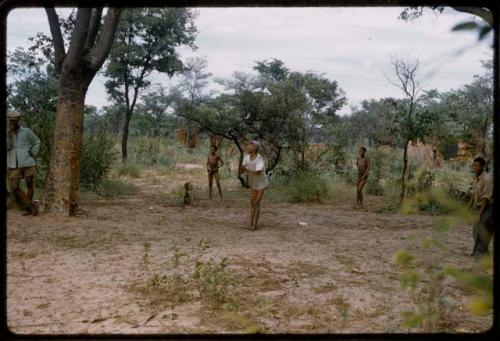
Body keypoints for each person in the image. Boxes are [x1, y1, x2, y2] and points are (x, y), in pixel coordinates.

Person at [6, 111, 41, 216]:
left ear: (18, 121)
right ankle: (31, 206)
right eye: (11, 121)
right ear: (9, 121)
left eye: (15, 121)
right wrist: (9, 136)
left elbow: (37, 142)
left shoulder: (26, 131)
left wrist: (32, 152)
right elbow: (8, 147)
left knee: (29, 185)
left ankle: (28, 209)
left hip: (27, 162)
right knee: (15, 187)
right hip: (14, 164)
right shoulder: (8, 133)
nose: (13, 123)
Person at [239, 140, 269, 230]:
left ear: (255, 148)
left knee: (256, 203)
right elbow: (242, 169)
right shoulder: (246, 157)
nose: (248, 147)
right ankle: (250, 224)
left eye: (250, 146)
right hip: (254, 183)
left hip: (262, 183)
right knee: (252, 203)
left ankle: (255, 225)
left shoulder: (259, 158)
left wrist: (246, 169)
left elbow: (258, 172)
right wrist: (243, 168)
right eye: (248, 145)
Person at [468, 156, 494, 256]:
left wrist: (479, 214)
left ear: (482, 167)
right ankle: (477, 251)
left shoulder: (487, 178)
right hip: (479, 206)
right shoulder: (475, 178)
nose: (474, 168)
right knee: (475, 229)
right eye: (473, 165)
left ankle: (482, 253)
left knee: (483, 226)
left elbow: (486, 198)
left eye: (477, 166)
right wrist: (468, 208)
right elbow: (474, 194)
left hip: (489, 206)